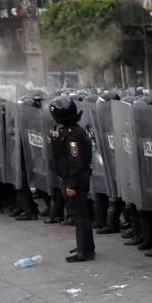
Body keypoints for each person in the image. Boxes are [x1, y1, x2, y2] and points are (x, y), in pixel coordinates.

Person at [48, 96, 95, 262]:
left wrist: (71, 184)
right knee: (77, 214)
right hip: (70, 178)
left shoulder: (73, 135)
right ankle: (84, 245)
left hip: (75, 180)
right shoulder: (67, 131)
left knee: (80, 215)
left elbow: (75, 162)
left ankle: (85, 251)